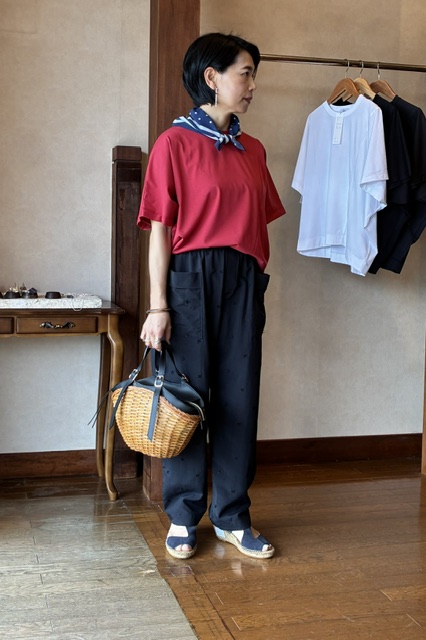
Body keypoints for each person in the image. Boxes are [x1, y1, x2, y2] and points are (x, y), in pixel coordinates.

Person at [137, 32, 285, 560]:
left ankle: (232, 516)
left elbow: (257, 221)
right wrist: (158, 306)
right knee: (187, 396)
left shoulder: (253, 149)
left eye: (252, 74)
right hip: (188, 279)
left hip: (241, 279)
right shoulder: (173, 143)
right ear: (211, 77)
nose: (252, 85)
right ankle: (183, 514)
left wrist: (251, 277)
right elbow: (160, 230)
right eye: (245, 73)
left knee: (239, 396)